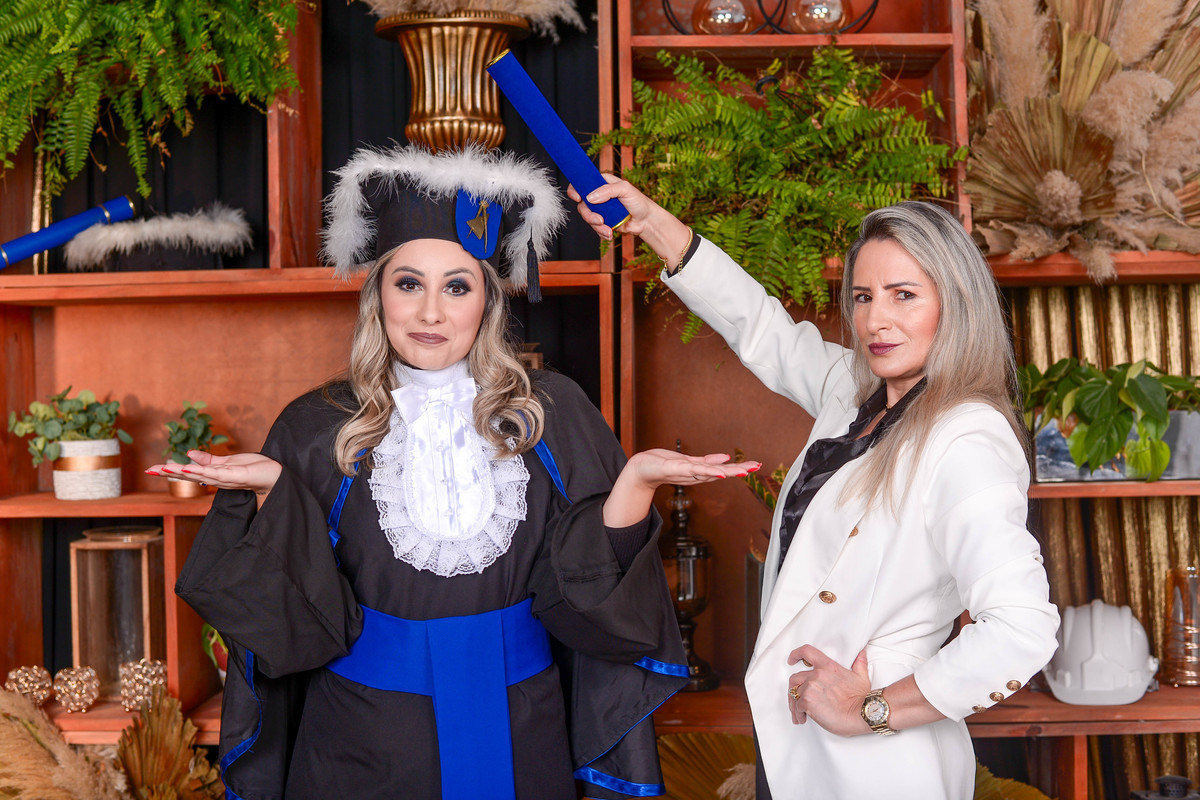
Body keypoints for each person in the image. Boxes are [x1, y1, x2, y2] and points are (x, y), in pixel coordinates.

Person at [151, 145, 758, 800]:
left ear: (488, 301)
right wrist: (275, 496)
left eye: (457, 287)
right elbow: (297, 622)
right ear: (378, 295)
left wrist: (636, 481)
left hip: (522, 733)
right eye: (409, 283)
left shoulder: (552, 412)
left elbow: (586, 594)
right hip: (359, 741)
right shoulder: (315, 424)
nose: (431, 313)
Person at [570, 177, 1061, 800]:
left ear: (957, 303)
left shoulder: (967, 437)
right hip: (797, 738)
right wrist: (651, 223)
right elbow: (761, 327)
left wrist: (873, 710)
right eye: (863, 296)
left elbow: (1021, 628)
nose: (875, 320)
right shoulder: (855, 393)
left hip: (881, 764)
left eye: (904, 295)